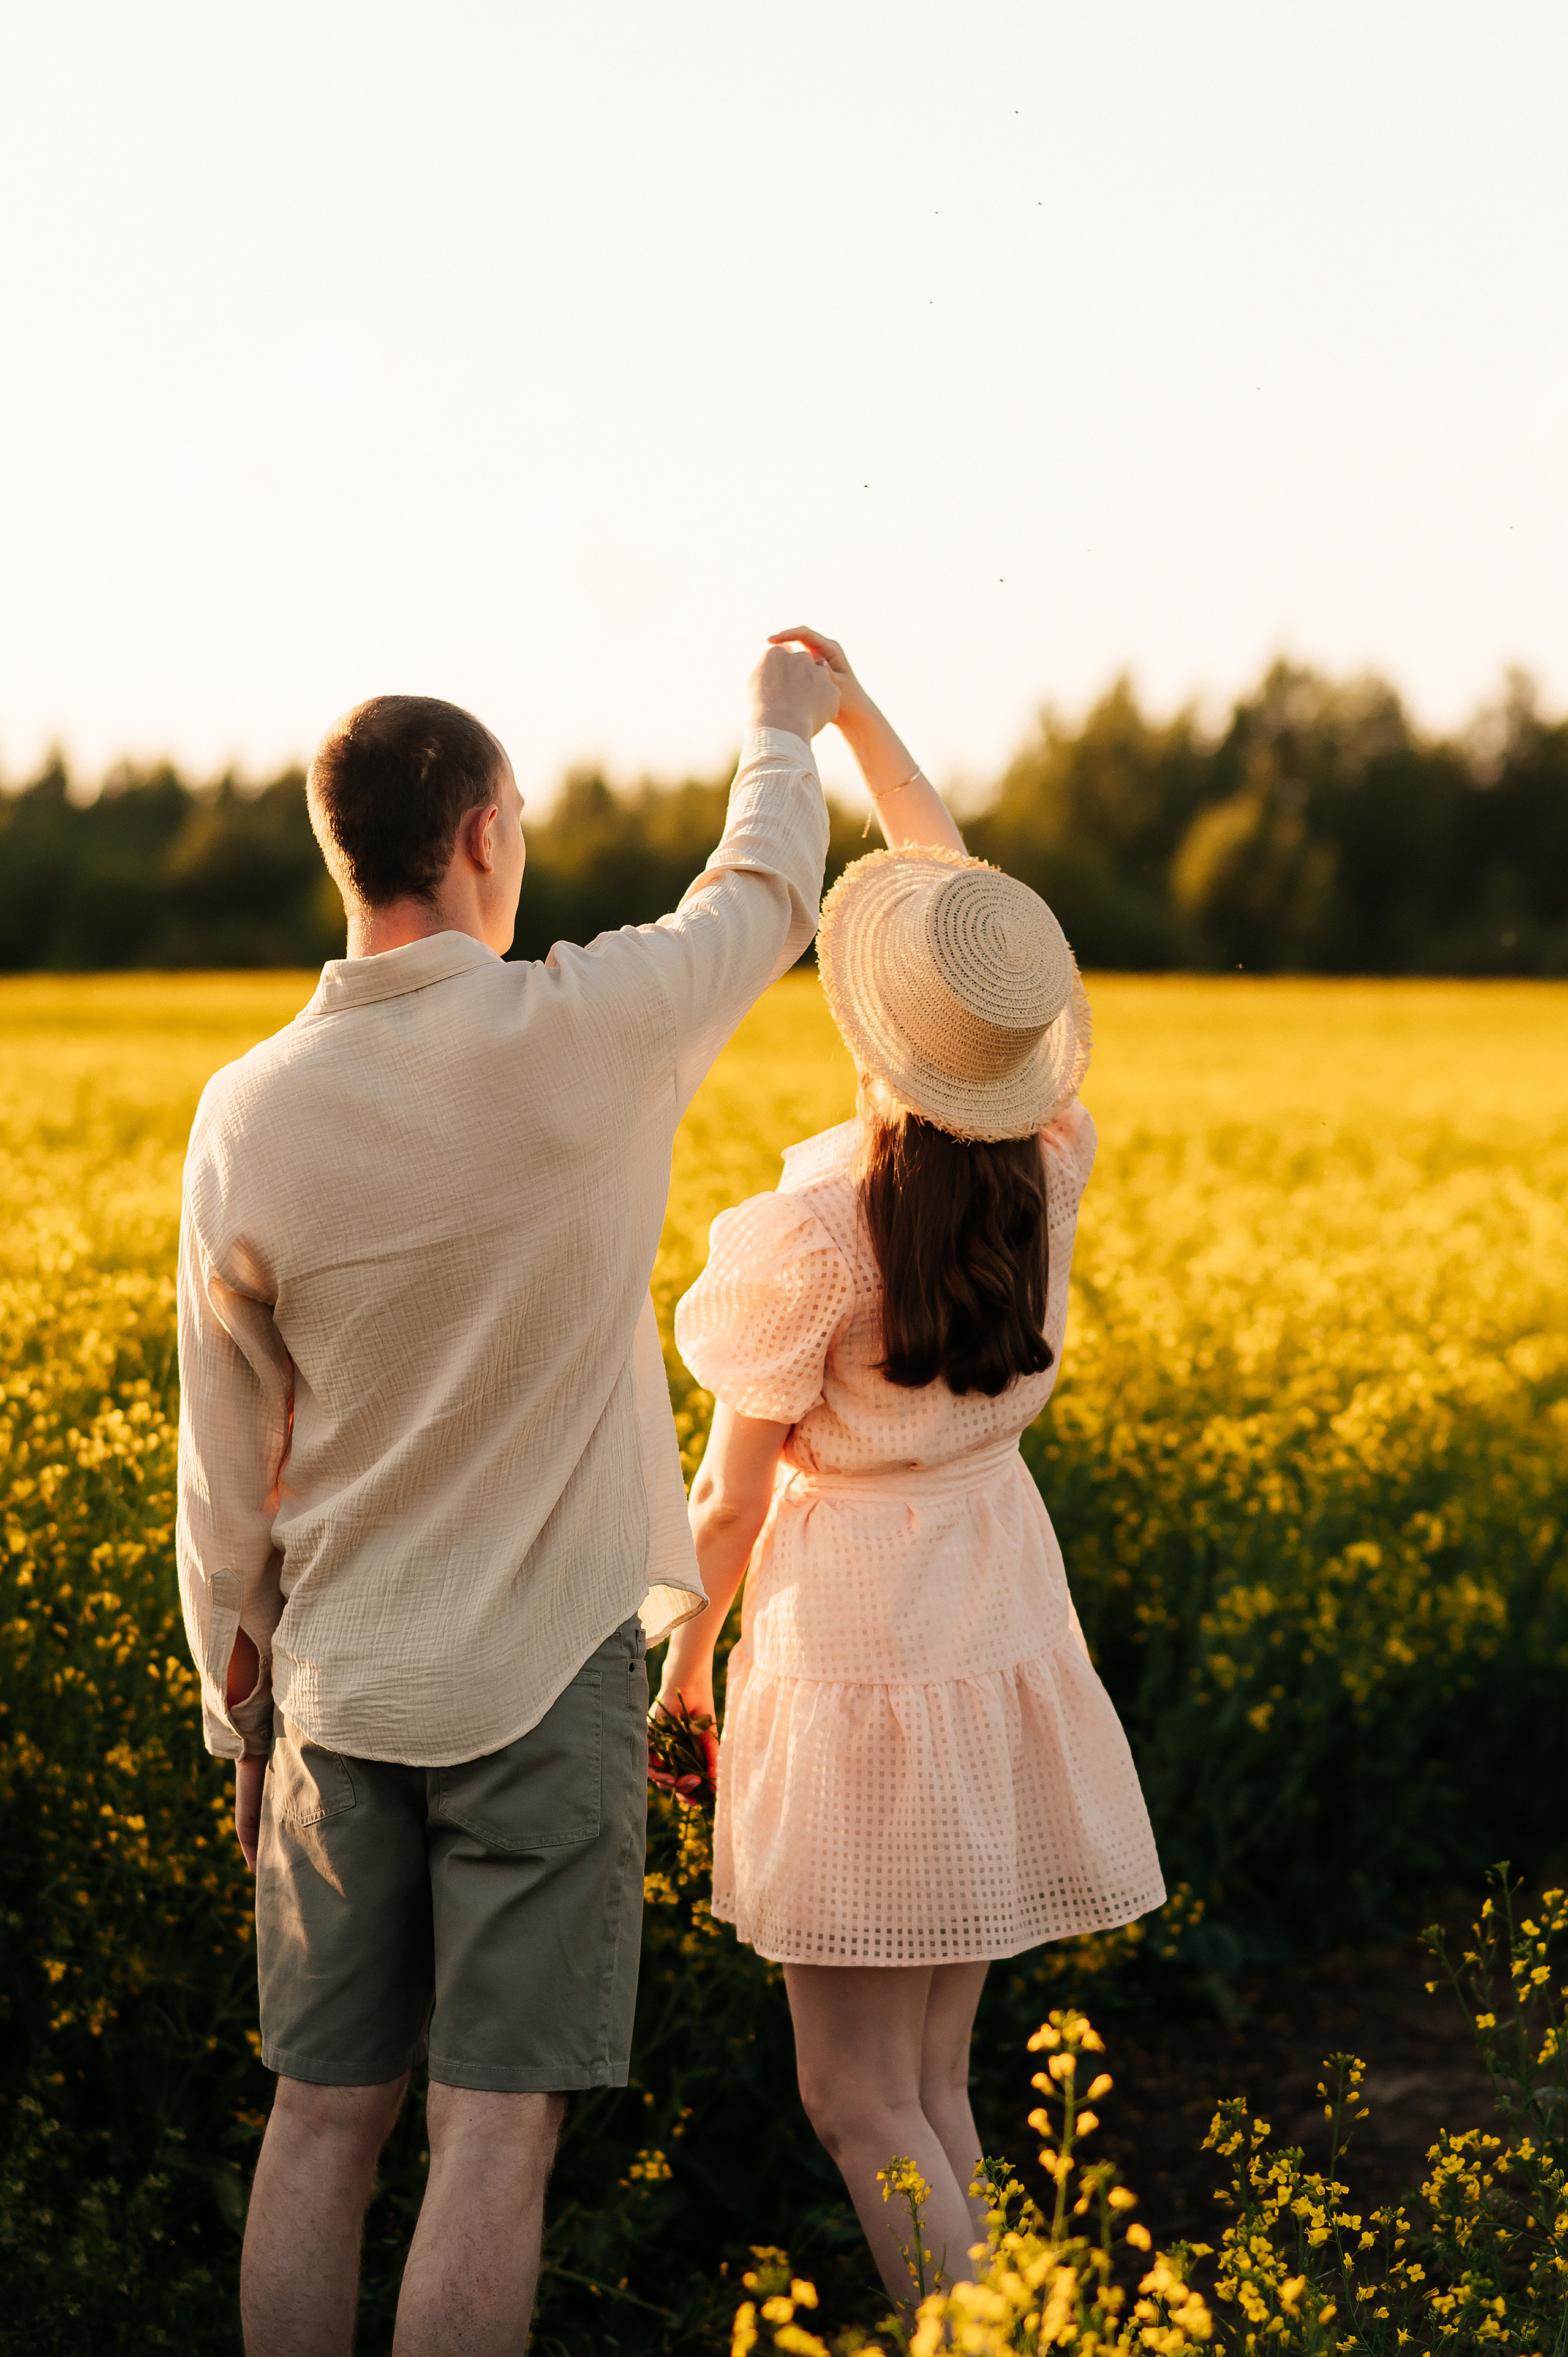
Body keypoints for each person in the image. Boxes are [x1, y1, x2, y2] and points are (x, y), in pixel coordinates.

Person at [175, 642, 839, 2357]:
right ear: (481, 837)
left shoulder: (242, 1114)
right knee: (492, 2126)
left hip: (333, 1693)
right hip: (542, 1683)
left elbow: (221, 1464)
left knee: (321, 2123)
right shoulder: (584, 1034)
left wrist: (236, 1720)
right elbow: (766, 890)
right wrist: (778, 731)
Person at [657, 627, 1166, 2310]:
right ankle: (1000, 2332)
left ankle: (967, 2350)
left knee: (852, 2092)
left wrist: (684, 1655)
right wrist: (867, 716)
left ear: (873, 1026)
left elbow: (727, 1497)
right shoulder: (1047, 1163)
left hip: (859, 1639)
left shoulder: (811, 1232)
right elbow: (971, 925)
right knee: (931, 2081)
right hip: (985, 1599)